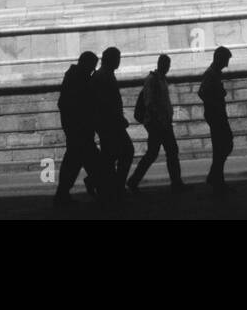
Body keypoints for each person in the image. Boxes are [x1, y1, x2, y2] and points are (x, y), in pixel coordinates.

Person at [127, 54, 188, 193]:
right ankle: (175, 183)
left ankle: (134, 181)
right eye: (165, 64)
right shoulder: (153, 80)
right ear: (160, 64)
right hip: (157, 123)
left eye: (168, 64)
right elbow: (150, 102)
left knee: (159, 152)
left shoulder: (160, 80)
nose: (167, 67)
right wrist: (160, 120)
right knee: (166, 151)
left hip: (163, 122)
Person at [54, 51, 100, 207]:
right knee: (84, 162)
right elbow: (77, 104)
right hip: (80, 129)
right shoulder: (78, 78)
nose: (93, 70)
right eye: (92, 67)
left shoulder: (75, 76)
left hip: (78, 129)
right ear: (86, 64)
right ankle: (104, 191)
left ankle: (62, 195)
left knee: (75, 162)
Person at [90, 46, 133, 199]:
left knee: (110, 155)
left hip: (109, 123)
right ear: (110, 59)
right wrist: (118, 119)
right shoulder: (103, 76)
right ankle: (117, 186)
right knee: (126, 151)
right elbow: (105, 103)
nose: (119, 61)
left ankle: (100, 182)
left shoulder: (105, 74)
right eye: (117, 58)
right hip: (110, 124)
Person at [198, 46, 234, 193]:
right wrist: (215, 102)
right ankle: (216, 179)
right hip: (216, 116)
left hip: (218, 115)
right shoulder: (211, 74)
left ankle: (215, 177)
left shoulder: (215, 74)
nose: (227, 64)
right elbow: (202, 92)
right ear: (219, 58)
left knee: (223, 147)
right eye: (226, 60)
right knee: (223, 146)